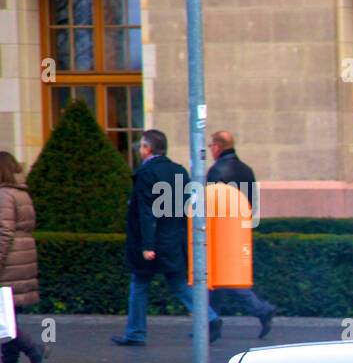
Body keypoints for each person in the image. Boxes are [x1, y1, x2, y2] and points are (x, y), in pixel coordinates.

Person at [111, 129, 222, 345]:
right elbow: (186, 207)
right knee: (179, 284)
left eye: (142, 146)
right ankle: (210, 317)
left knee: (140, 285)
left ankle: (136, 333)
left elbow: (146, 211)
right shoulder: (179, 170)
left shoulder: (145, 173)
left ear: (148, 148)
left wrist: (147, 245)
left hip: (152, 240)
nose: (140, 150)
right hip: (173, 239)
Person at [206, 131, 274, 338]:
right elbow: (252, 204)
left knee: (222, 279)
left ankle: (260, 310)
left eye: (211, 146)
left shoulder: (216, 170)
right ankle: (210, 322)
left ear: (217, 147)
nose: (210, 150)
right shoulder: (247, 170)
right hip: (240, 231)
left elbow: (209, 205)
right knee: (220, 280)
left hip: (220, 232)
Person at [0, 151, 47, 363]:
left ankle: (34, 348)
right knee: (6, 317)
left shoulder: (4, 195)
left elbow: (5, 232)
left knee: (3, 320)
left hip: (9, 263)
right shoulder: (21, 193)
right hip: (22, 261)